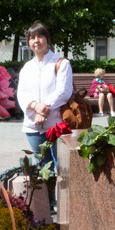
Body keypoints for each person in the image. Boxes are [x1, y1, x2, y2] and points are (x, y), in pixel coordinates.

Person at [16, 23, 73, 171]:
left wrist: (44, 109)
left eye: (40, 36)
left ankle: (59, 195)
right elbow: (21, 93)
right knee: (43, 170)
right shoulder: (26, 68)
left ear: (47, 39)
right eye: (32, 37)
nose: (36, 40)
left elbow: (63, 91)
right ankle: (47, 195)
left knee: (63, 169)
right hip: (33, 126)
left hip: (56, 125)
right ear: (28, 42)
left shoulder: (61, 63)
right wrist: (35, 106)